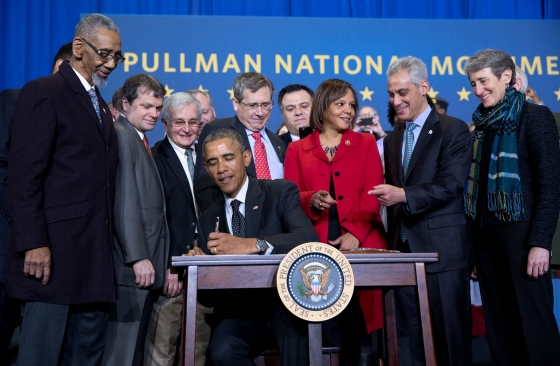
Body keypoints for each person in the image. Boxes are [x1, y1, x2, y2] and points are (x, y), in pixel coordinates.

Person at [7, 13, 122, 365]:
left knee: (85, 357)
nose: (111, 63)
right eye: (104, 54)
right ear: (78, 47)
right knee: (41, 356)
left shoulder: (100, 104)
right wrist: (34, 242)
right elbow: (24, 176)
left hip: (93, 259)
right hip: (51, 259)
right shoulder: (45, 91)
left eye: (117, 56)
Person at [370, 56, 473, 366]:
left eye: (403, 93)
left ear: (423, 87)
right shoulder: (392, 139)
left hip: (441, 253)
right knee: (407, 344)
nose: (396, 101)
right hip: (402, 253)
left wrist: (403, 194)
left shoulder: (451, 129)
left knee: (450, 341)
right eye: (391, 94)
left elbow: (452, 185)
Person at [190, 128, 318, 366]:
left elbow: (308, 239)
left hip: (285, 307)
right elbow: (208, 299)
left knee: (297, 335)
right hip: (239, 315)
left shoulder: (279, 192)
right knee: (221, 351)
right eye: (213, 163)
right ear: (206, 169)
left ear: (246, 158)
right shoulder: (208, 218)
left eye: (229, 158)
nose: (222, 169)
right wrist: (199, 269)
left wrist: (252, 245)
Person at [464, 49, 560, 366]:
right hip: (487, 244)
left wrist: (540, 243)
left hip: (523, 241)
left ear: (507, 77)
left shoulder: (536, 117)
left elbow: (550, 184)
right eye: (473, 83)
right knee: (500, 332)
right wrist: (475, 250)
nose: (477, 90)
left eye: (482, 81)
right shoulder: (481, 126)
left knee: (534, 329)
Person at [284, 79, 386, 346]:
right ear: (323, 107)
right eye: (340, 104)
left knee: (363, 335)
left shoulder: (366, 143)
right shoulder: (297, 149)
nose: (348, 111)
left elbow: (372, 192)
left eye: (352, 105)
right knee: (324, 334)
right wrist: (311, 199)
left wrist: (354, 233)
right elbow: (291, 199)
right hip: (315, 250)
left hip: (362, 244)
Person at [103, 74, 170, 366]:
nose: (154, 113)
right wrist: (139, 257)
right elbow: (125, 202)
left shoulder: (138, 138)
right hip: (131, 270)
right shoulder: (122, 135)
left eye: (158, 107)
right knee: (122, 354)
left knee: (135, 355)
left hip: (144, 269)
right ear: (126, 103)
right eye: (147, 106)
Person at [145, 92, 202, 366]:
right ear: (165, 124)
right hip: (172, 271)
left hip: (206, 270)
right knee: (162, 352)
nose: (187, 129)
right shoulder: (154, 159)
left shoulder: (210, 157)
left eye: (193, 122)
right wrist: (171, 265)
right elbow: (156, 221)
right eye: (179, 122)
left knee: (198, 350)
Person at [194, 72, 286, 213]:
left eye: (265, 105)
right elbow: (206, 188)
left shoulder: (278, 143)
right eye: (252, 105)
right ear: (236, 103)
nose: (260, 112)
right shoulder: (217, 130)